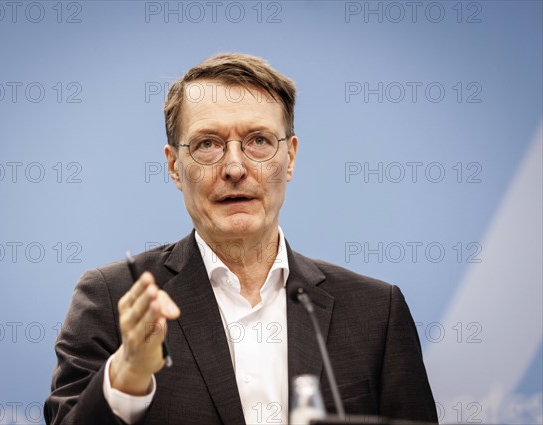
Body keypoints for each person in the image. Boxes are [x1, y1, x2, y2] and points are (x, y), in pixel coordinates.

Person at [44, 53, 438, 425]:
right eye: (207, 144)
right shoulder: (113, 300)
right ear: (174, 167)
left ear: (291, 158)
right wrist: (128, 371)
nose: (235, 167)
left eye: (259, 141)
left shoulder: (375, 312)